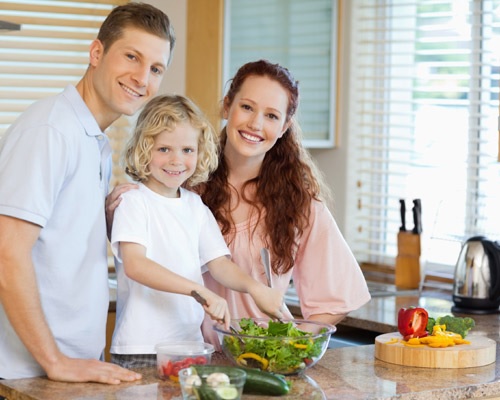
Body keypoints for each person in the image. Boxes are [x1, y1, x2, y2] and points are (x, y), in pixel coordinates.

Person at [0, 3, 175, 383]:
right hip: (27, 375)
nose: (142, 77)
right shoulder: (51, 131)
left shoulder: (93, 140)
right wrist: (56, 362)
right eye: (132, 56)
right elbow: (7, 253)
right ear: (97, 53)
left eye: (156, 68)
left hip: (68, 368)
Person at [189, 60, 371, 346]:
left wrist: (285, 345)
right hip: (189, 360)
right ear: (227, 106)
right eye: (247, 107)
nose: (255, 124)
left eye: (272, 116)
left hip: (259, 364)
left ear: (285, 126)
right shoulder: (187, 184)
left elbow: (337, 297)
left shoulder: (298, 203)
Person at [109, 94, 283, 369]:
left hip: (189, 347)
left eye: (187, 150)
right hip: (140, 348)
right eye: (164, 149)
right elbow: (136, 265)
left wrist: (255, 287)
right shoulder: (134, 201)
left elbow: (219, 264)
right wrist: (199, 292)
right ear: (144, 148)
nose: (177, 160)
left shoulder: (195, 205)